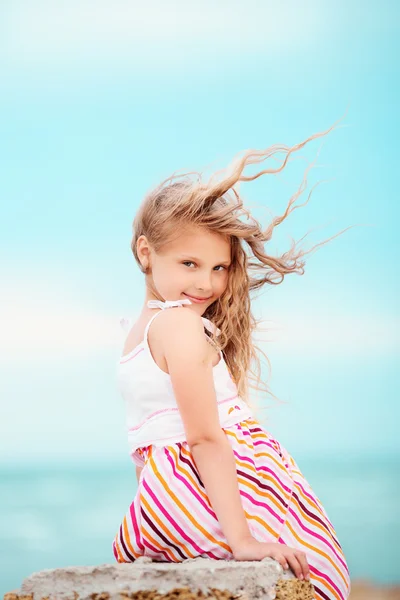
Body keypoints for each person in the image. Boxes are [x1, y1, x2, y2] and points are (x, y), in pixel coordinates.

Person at [112, 115, 352, 600]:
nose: (206, 283)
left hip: (169, 491)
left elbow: (148, 443)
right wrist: (241, 540)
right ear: (145, 253)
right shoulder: (179, 324)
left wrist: (154, 513)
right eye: (189, 264)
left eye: (219, 267)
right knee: (323, 579)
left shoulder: (135, 336)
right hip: (222, 484)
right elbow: (202, 437)